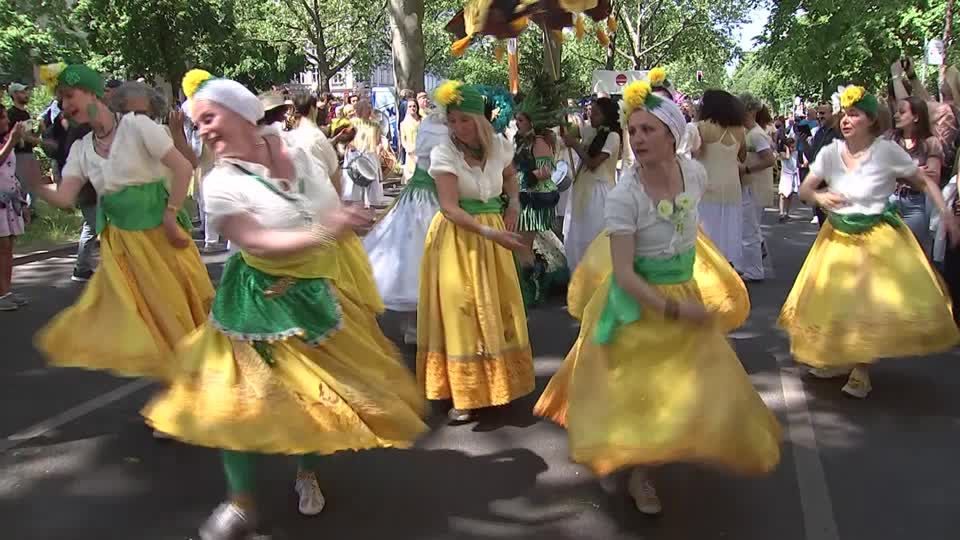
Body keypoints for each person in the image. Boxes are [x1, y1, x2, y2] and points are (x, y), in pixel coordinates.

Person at [142, 71, 427, 539]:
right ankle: (240, 502)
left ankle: (306, 472)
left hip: (311, 293)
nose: (203, 130)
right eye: (198, 123)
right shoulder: (218, 182)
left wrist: (342, 218)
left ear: (241, 114)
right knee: (233, 399)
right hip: (252, 302)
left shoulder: (297, 151)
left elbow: (328, 201)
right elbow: (259, 241)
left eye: (210, 118)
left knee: (310, 395)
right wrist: (329, 229)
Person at [534, 79, 781, 515]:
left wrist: (699, 277)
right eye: (633, 131)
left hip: (683, 290)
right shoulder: (624, 197)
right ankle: (640, 474)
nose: (638, 138)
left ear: (672, 134)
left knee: (688, 384)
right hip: (639, 303)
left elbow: (690, 228)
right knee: (640, 389)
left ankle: (655, 453)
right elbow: (625, 274)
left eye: (648, 129)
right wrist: (673, 308)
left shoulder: (695, 174)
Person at [31, 64, 213, 381]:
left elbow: (184, 168)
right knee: (146, 323)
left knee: (179, 316)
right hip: (122, 247)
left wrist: (171, 215)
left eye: (70, 96)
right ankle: (180, 385)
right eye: (61, 100)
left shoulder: (135, 127)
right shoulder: (81, 148)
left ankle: (200, 383)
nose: (65, 105)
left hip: (160, 237)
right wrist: (33, 183)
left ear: (94, 93)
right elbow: (64, 197)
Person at [780, 86, 960, 399]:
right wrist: (821, 197)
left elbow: (924, 181)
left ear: (871, 120)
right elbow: (807, 189)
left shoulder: (886, 151)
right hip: (837, 238)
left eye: (854, 114)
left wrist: (946, 214)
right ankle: (842, 359)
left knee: (864, 305)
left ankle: (861, 370)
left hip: (876, 237)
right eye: (845, 114)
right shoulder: (831, 152)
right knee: (837, 302)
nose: (846, 120)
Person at [417, 80, 534, 424]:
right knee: (462, 309)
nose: (457, 127)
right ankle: (464, 392)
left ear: (479, 120)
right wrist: (489, 232)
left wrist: (514, 203)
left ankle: (498, 383)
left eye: (464, 120)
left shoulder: (500, 146)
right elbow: (450, 207)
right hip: (459, 237)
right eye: (452, 120)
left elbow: (510, 177)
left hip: (494, 233)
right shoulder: (444, 154)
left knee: (496, 305)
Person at [562, 96, 621, 270]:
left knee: (594, 236)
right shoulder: (590, 131)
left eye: (595, 114)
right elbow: (569, 132)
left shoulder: (613, 136)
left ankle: (596, 276)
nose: (591, 117)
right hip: (581, 188)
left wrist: (576, 145)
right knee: (577, 235)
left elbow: (593, 164)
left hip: (599, 193)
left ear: (606, 116)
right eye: (590, 113)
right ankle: (578, 274)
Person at [694, 90, 747, 264]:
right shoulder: (740, 130)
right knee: (729, 237)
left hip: (706, 189)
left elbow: (694, 153)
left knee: (706, 239)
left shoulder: (700, 127)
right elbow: (742, 156)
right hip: (732, 189)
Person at [737, 94, 778, 282]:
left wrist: (746, 169)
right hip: (750, 186)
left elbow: (769, 159)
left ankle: (754, 270)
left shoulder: (756, 134)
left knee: (750, 230)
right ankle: (750, 266)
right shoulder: (750, 132)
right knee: (749, 228)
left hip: (754, 187)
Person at [0, 107, 28, 311]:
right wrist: (12, 140)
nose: (7, 121)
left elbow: (11, 173)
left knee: (8, 248)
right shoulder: (7, 143)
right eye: (3, 117)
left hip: (10, 202)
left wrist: (22, 203)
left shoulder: (5, 141)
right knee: (1, 248)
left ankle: (6, 290)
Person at [399, 99, 421, 181]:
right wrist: (407, 149)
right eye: (410, 106)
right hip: (410, 153)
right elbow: (403, 140)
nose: (412, 108)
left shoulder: (422, 121)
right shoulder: (403, 124)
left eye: (414, 106)